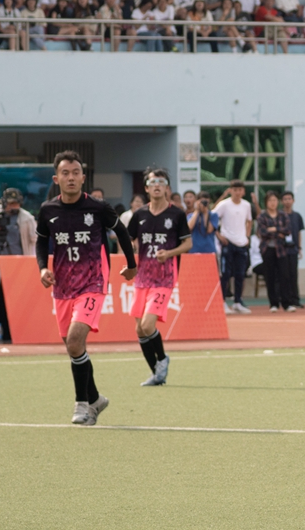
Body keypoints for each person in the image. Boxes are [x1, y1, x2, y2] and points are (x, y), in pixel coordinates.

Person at [36, 150, 137, 425]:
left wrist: (131, 264)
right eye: (65, 173)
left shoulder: (99, 207)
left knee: (75, 340)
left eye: (75, 173)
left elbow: (123, 232)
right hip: (63, 285)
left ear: (83, 177)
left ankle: (82, 406)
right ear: (57, 179)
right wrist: (43, 268)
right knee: (73, 347)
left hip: (93, 283)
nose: (71, 178)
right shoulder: (48, 210)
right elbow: (41, 242)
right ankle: (95, 399)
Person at [127, 168, 191, 386]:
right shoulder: (140, 215)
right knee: (139, 329)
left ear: (166, 188)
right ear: (146, 188)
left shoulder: (177, 214)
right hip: (142, 277)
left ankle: (162, 359)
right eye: (153, 182)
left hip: (164, 278)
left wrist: (169, 253)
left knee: (147, 325)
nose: (157, 185)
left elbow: (188, 243)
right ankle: (156, 373)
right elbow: (127, 239)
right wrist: (129, 261)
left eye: (161, 182)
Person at [212, 180, 254, 315]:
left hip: (241, 243)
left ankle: (237, 301)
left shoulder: (246, 205)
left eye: (240, 190)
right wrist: (219, 236)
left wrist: (247, 236)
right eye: (235, 190)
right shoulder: (224, 205)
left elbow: (249, 221)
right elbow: (212, 218)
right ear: (231, 190)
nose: (237, 192)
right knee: (225, 274)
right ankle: (222, 301)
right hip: (227, 243)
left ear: (243, 192)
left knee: (240, 274)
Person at [254, 191, 292, 313]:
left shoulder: (283, 215)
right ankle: (273, 303)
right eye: (270, 201)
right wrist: (278, 234)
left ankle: (286, 303)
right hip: (267, 249)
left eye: (275, 200)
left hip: (281, 250)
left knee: (284, 276)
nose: (273, 203)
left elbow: (287, 230)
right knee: (270, 276)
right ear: (266, 202)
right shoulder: (262, 216)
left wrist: (274, 229)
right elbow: (263, 232)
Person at [280, 191, 304, 310]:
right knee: (284, 275)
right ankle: (286, 300)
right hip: (282, 250)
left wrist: (299, 248)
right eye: (285, 199)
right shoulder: (279, 216)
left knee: (294, 274)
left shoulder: (297, 216)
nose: (287, 201)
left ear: (293, 201)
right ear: (282, 201)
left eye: (289, 199)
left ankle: (296, 299)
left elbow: (299, 233)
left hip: (293, 249)